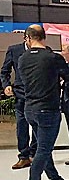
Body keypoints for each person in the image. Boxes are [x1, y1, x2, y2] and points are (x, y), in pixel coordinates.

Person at [17, 25, 69, 180]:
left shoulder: (23, 58)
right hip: (48, 108)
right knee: (44, 149)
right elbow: (67, 74)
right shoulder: (52, 57)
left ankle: (55, 179)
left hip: (29, 108)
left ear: (28, 38)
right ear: (43, 37)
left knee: (43, 146)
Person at [1, 30, 37, 169]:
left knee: (37, 125)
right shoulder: (14, 50)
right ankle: (23, 156)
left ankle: (34, 153)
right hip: (20, 93)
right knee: (22, 125)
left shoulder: (44, 50)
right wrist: (6, 85)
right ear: (26, 38)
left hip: (37, 94)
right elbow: (5, 71)